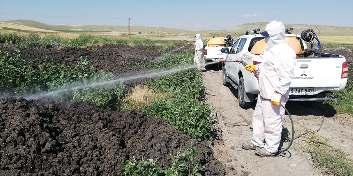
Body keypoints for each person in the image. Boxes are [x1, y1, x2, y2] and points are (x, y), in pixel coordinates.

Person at [241, 21, 296, 157]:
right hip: (264, 92)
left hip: (274, 95)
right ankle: (257, 142)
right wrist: (256, 69)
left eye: (267, 35)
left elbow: (286, 76)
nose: (265, 38)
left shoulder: (285, 52)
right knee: (258, 118)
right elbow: (267, 68)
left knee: (272, 121)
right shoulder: (270, 49)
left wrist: (278, 93)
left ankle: (271, 148)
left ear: (276, 35)